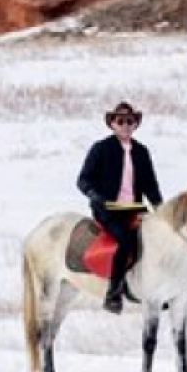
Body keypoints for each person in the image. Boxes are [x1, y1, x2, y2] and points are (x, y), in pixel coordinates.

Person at [76, 101, 163, 314]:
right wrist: (94, 195)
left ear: (135, 124)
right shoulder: (101, 149)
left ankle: (160, 288)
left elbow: (150, 185)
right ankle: (113, 292)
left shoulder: (142, 152)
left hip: (135, 208)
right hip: (108, 210)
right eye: (120, 121)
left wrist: (160, 209)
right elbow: (83, 179)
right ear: (112, 124)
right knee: (126, 240)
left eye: (130, 121)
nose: (125, 125)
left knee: (159, 238)